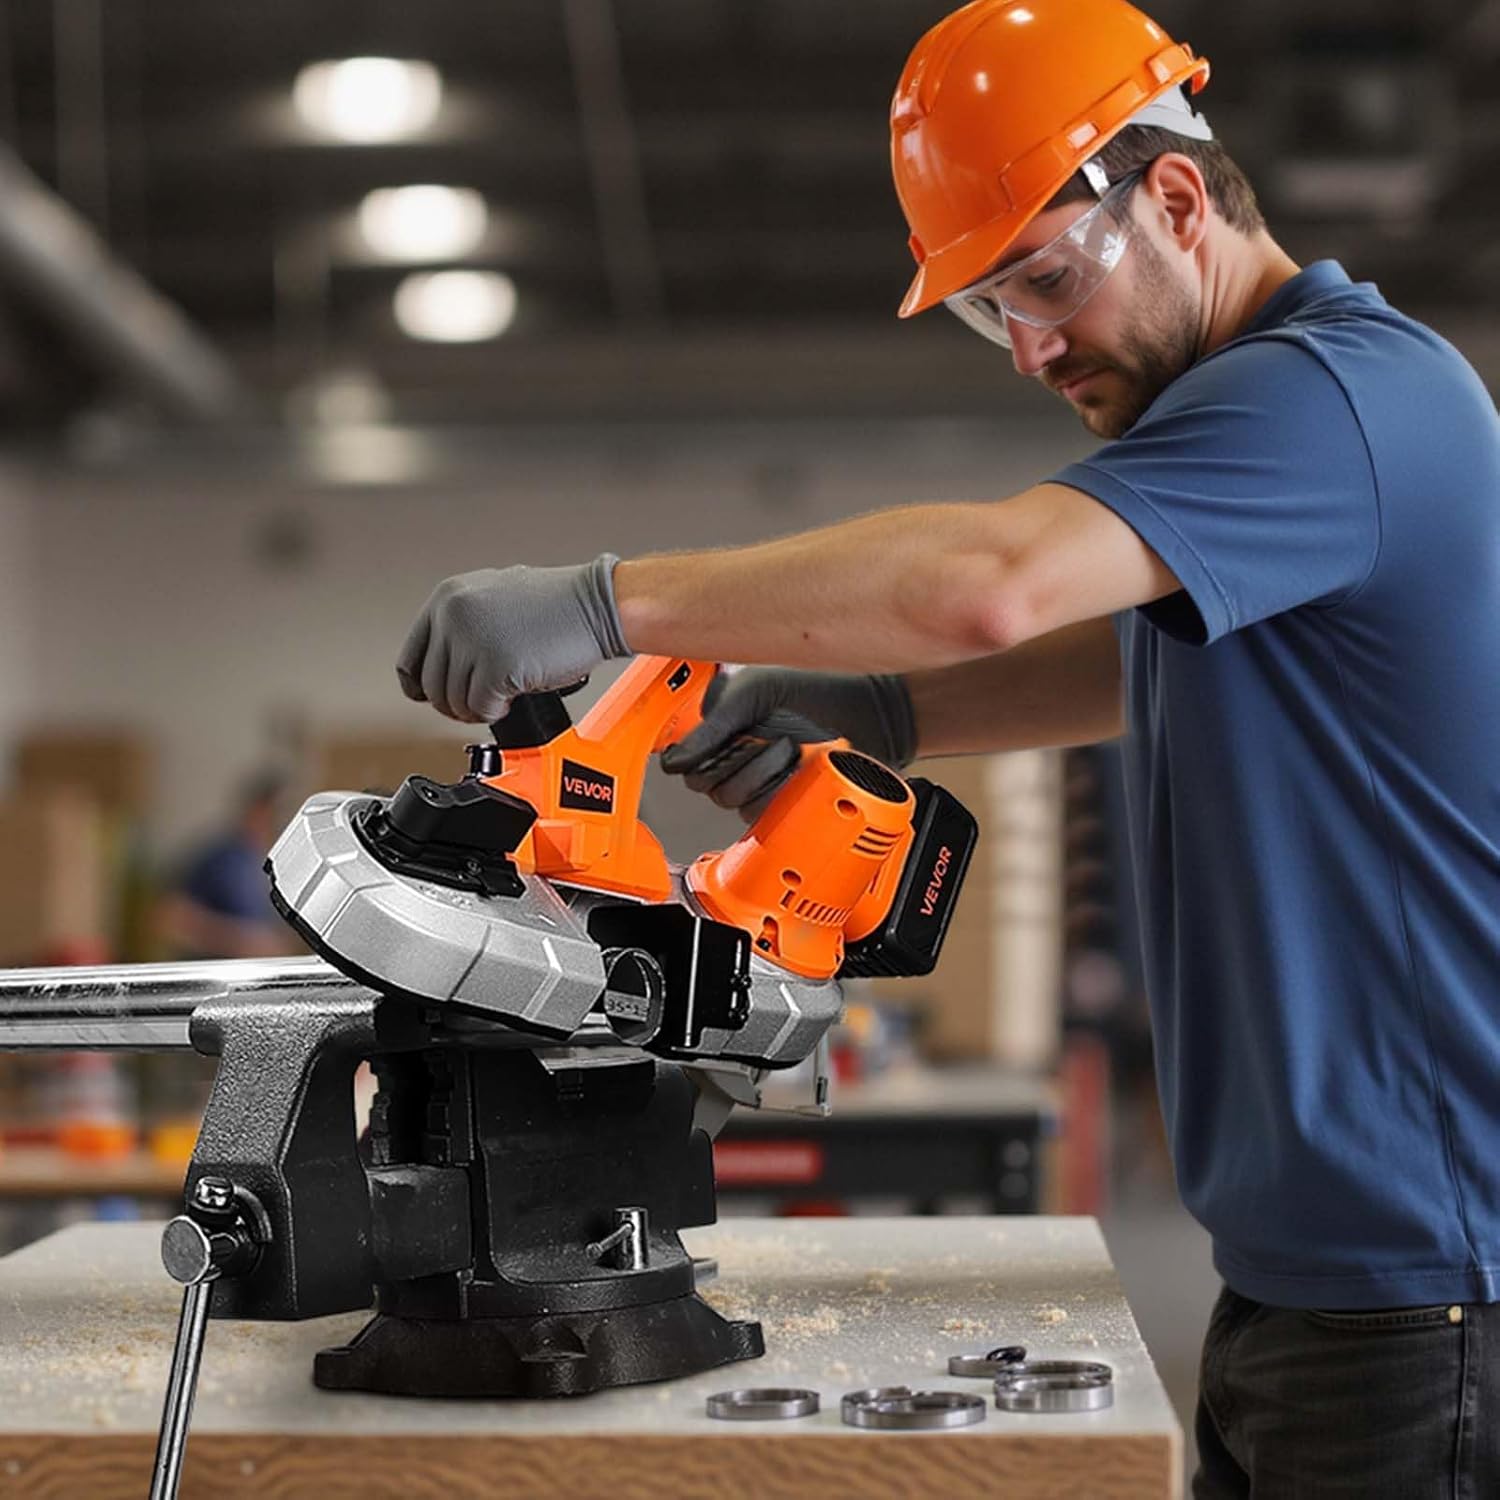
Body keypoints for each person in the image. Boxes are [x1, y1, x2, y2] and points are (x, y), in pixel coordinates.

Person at [392, 1, 1500, 1492]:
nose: (1033, 346)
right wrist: (881, 714)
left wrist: (606, 603)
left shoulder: (1332, 397)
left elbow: (988, 584)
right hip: (1327, 1272)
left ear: (1176, 198)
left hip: (1428, 1290)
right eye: (991, 310)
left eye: (1043, 277)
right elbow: (1125, 656)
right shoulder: (1289, 439)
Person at [157, 771, 300, 959]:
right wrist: (240, 942)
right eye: (277, 811)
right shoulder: (219, 860)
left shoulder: (275, 863)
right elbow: (169, 918)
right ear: (259, 809)